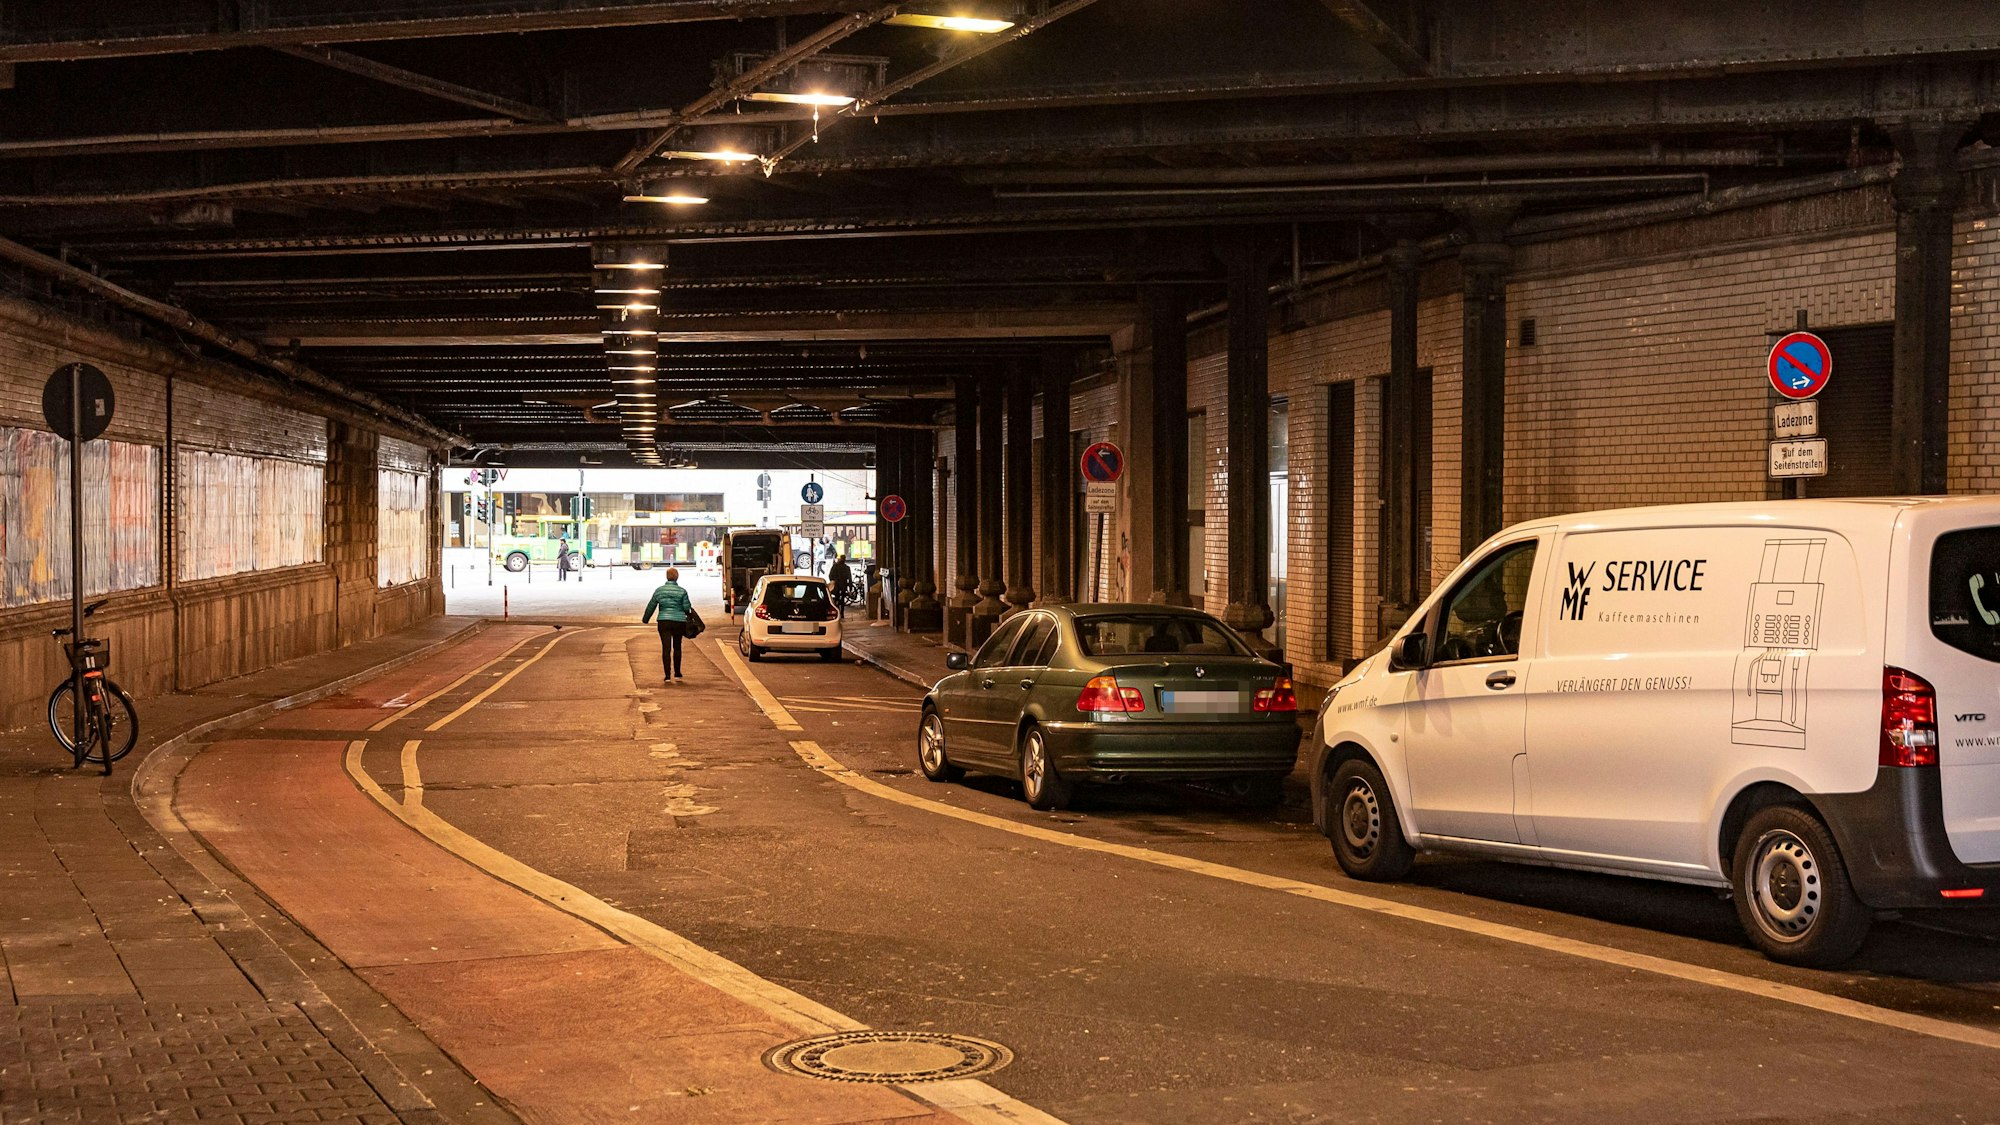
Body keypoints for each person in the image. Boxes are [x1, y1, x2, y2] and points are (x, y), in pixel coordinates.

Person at [642, 566, 694, 680]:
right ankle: (677, 673)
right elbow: (687, 608)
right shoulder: (682, 591)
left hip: (663, 621)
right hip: (679, 621)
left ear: (667, 577)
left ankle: (667, 676)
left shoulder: (659, 591)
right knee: (677, 647)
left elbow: (651, 605)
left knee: (666, 648)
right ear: (677, 577)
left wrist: (645, 619)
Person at [828, 551, 853, 616]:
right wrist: (850, 588)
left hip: (836, 585)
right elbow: (850, 578)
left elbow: (830, 575)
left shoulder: (835, 566)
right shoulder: (847, 568)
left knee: (836, 598)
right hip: (843, 585)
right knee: (842, 599)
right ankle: (842, 612)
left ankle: (837, 611)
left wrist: (833, 581)